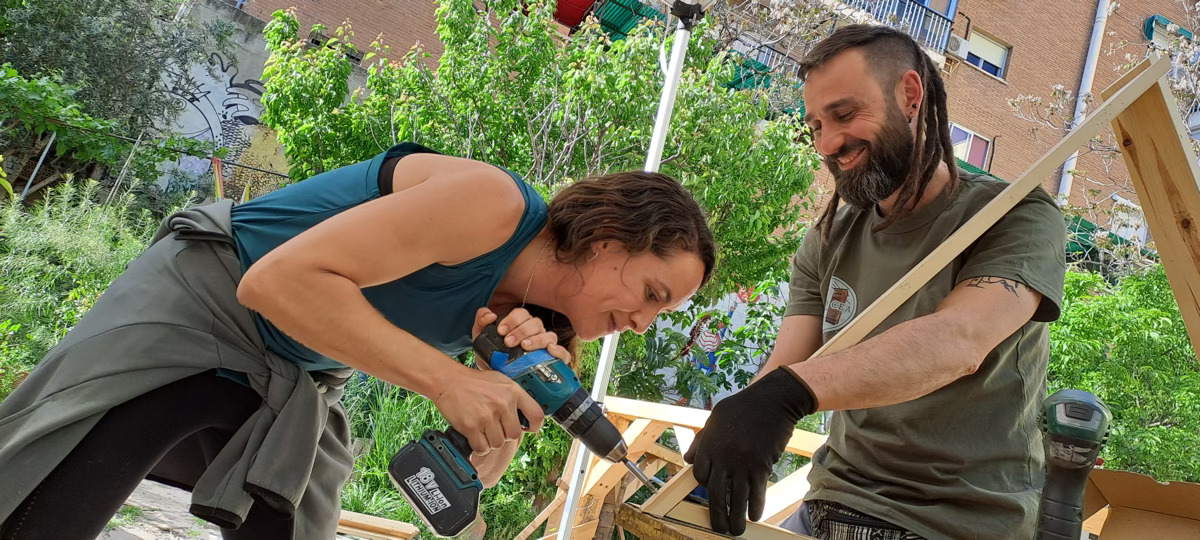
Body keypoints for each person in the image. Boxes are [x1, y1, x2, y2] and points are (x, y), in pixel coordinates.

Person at [0, 141, 715, 540]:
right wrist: (449, 379)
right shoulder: (492, 205)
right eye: (652, 292)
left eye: (664, 311)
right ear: (606, 237)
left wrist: (493, 422)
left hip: (299, 374)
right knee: (37, 509)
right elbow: (276, 283)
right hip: (207, 301)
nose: (644, 321)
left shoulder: (533, 334)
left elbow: (480, 480)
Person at [683, 25, 1067, 540]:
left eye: (844, 115)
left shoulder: (1014, 216)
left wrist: (785, 396)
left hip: (955, 521)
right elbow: (787, 368)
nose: (829, 143)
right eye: (816, 126)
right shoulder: (827, 239)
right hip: (832, 498)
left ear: (910, 96)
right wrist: (733, 434)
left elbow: (959, 340)